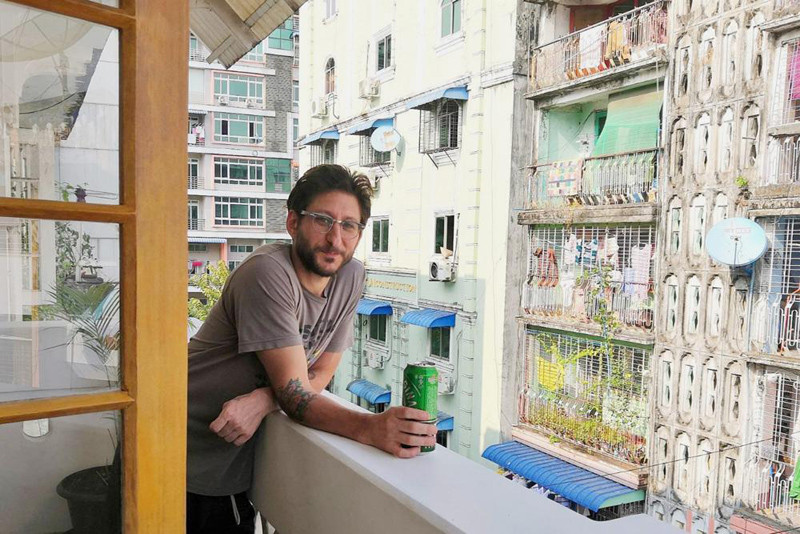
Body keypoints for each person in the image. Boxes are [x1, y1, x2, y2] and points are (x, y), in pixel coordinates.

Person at [186, 164, 436, 533]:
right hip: (183, 449)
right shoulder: (267, 273)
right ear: (293, 222)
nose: (336, 239)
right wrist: (370, 428)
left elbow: (319, 375)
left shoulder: (350, 277)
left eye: (349, 225)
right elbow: (296, 394)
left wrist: (265, 399)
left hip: (232, 465)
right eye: (323, 220)